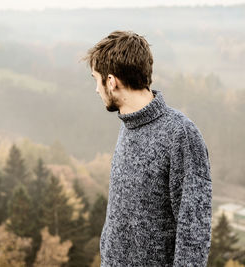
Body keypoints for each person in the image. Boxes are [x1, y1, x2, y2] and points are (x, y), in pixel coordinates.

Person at [84, 30, 212, 266]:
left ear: (111, 82)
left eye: (96, 79)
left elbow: (194, 230)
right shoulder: (130, 124)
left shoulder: (180, 134)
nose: (96, 89)